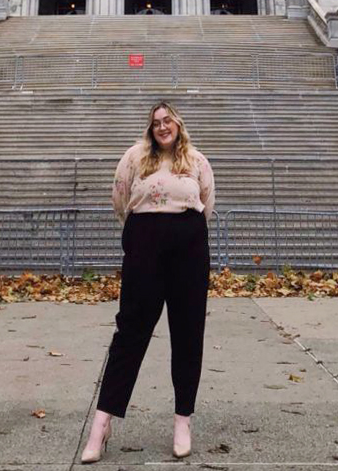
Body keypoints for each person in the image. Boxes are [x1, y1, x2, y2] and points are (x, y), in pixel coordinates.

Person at [81, 100, 215, 463]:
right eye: (155, 121)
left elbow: (207, 202)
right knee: (129, 334)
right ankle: (101, 423)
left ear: (178, 124)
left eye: (167, 119)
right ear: (150, 128)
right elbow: (120, 198)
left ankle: (182, 420)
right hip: (145, 247)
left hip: (188, 249)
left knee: (188, 334)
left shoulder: (197, 161)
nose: (162, 126)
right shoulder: (135, 156)